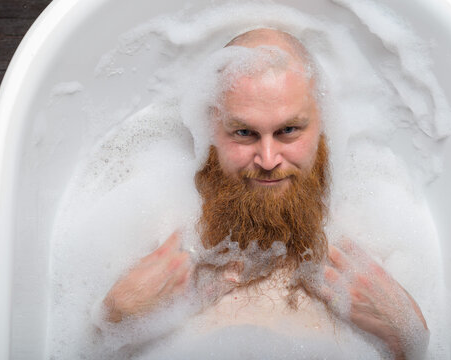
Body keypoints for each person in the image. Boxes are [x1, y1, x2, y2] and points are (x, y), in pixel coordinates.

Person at [97, 28, 429, 359]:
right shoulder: (156, 223)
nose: (268, 160)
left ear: (322, 125)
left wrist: (406, 334)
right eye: (243, 132)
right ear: (210, 128)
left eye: (289, 130)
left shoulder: (372, 228)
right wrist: (113, 320)